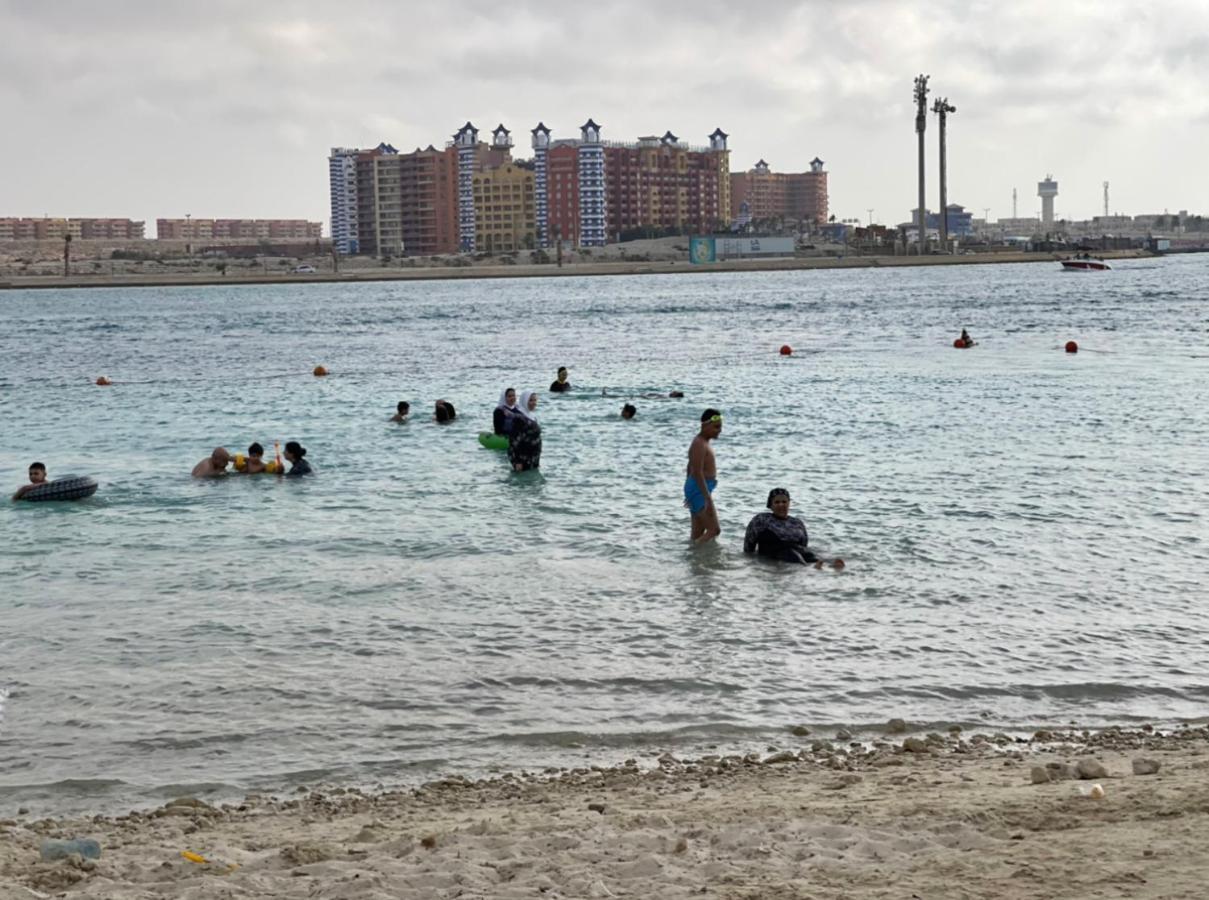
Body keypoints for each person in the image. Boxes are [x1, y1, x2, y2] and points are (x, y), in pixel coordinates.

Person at [743, 488, 820, 564]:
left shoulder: (797, 523)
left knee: (814, 557)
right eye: (777, 502)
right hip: (774, 557)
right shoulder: (761, 520)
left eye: (784, 502)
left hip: (798, 554)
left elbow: (804, 545)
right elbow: (748, 547)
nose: (781, 505)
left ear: (789, 503)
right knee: (794, 556)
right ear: (771, 505)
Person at [685, 409, 722, 543]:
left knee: (697, 533)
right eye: (716, 427)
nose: (719, 430)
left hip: (696, 490)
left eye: (720, 427)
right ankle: (694, 554)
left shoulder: (703, 442)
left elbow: (689, 467)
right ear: (705, 425)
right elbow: (697, 472)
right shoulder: (699, 444)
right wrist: (707, 498)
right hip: (699, 490)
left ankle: (694, 558)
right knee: (714, 530)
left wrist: (688, 494)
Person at [509, 390, 542, 471]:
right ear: (524, 400)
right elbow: (514, 440)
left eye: (535, 400)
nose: (534, 403)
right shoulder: (519, 417)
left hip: (533, 456)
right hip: (523, 457)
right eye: (530, 400)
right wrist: (518, 461)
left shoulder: (531, 415)